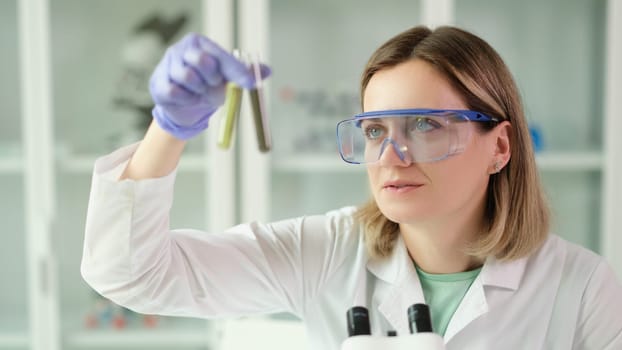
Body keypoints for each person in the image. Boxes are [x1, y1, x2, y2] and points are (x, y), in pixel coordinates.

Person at [81, 25, 622, 349]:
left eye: (427, 125)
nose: (391, 155)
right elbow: (132, 275)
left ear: (500, 148)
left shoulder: (579, 287)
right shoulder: (325, 253)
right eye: (373, 130)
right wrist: (169, 130)